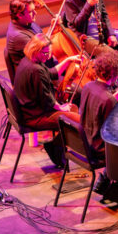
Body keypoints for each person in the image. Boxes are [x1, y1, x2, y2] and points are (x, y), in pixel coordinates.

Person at [13, 34, 82, 168]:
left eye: (50, 51)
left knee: (73, 109)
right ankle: (54, 148)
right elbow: (47, 100)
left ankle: (55, 146)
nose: (49, 56)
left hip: (33, 110)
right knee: (76, 121)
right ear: (36, 50)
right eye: (45, 53)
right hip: (36, 116)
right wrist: (61, 108)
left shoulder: (29, 61)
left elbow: (50, 73)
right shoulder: (35, 70)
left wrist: (68, 60)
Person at [78, 51, 118, 209]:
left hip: (86, 140)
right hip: (99, 148)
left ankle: (104, 180)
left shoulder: (88, 87)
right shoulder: (108, 100)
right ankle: (114, 190)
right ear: (115, 74)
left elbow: (100, 106)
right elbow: (113, 132)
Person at [6, 0, 44, 77]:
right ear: (19, 15)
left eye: (34, 10)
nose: (35, 13)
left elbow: (40, 37)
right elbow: (43, 55)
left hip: (38, 67)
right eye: (31, 11)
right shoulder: (19, 36)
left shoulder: (24, 22)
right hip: (33, 77)